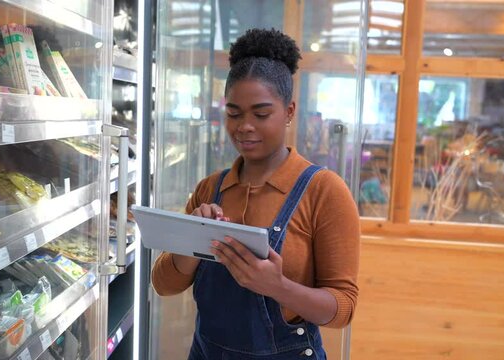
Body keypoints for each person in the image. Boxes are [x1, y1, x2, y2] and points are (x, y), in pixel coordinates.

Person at [151, 28, 360, 359]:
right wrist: (192, 244)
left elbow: (343, 308)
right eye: (233, 113)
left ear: (289, 112)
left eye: (261, 114)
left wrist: (278, 287)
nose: (244, 126)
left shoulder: (324, 191)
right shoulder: (211, 188)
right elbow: (163, 284)